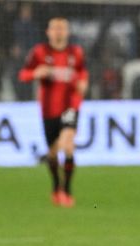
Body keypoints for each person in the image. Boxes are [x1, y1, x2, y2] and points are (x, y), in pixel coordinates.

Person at [18, 17, 88, 207]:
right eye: (55, 28)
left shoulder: (76, 53)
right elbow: (23, 74)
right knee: (52, 153)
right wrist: (35, 73)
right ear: (48, 32)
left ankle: (67, 190)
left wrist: (83, 82)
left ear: (67, 32)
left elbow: (82, 72)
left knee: (68, 144)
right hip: (49, 110)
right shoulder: (39, 52)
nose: (58, 32)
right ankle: (56, 186)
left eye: (62, 28)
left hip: (70, 106)